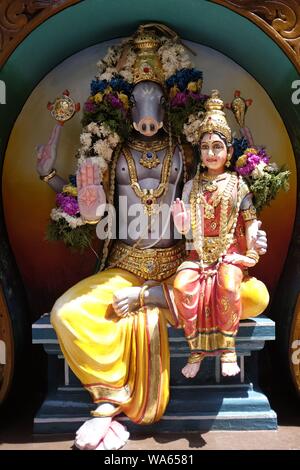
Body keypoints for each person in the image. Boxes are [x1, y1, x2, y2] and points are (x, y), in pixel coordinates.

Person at [36, 27, 268, 451]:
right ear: (125, 106)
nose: (147, 115)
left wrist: (250, 229)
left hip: (184, 269)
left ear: (167, 102)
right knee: (64, 312)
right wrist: (61, 185)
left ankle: (156, 300)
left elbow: (229, 190)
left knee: (256, 297)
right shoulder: (109, 152)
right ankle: (111, 396)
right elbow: (84, 205)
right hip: (126, 268)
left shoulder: (188, 151)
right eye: (139, 102)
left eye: (155, 101)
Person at [171, 90, 268, 380]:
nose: (211, 153)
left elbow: (250, 219)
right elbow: (186, 231)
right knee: (182, 286)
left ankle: (228, 349)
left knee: (227, 285)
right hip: (197, 255)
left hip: (229, 253)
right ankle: (196, 350)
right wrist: (182, 223)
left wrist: (252, 249)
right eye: (205, 147)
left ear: (228, 151)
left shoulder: (238, 185)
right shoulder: (190, 187)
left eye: (217, 147)